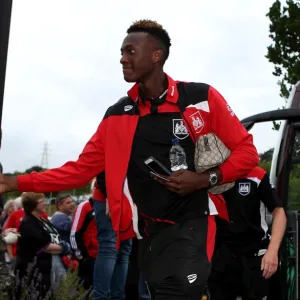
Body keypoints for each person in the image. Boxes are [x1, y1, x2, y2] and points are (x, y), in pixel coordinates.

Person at [0, 20, 259, 299]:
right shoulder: (117, 114)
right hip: (147, 234)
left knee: (180, 292)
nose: (122, 59)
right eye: (122, 52)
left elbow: (248, 152)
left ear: (156, 55)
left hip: (194, 223)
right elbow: (78, 171)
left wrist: (204, 179)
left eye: (130, 51)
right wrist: (13, 181)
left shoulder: (200, 97)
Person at [208, 166, 286, 300]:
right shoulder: (208, 176)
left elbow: (279, 213)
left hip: (256, 257)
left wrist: (272, 252)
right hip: (222, 257)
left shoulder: (256, 175)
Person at [15, 192, 71, 298]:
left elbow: (51, 241)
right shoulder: (28, 222)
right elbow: (44, 247)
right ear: (33, 205)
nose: (45, 204)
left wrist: (61, 248)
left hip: (46, 269)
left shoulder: (42, 220)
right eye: (41, 202)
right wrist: (64, 247)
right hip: (34, 272)